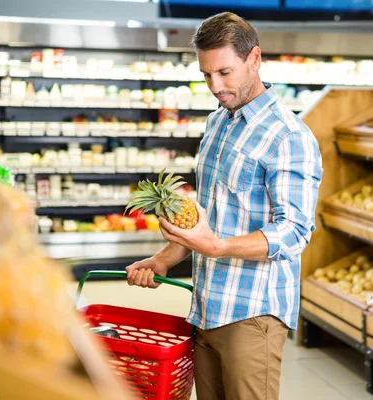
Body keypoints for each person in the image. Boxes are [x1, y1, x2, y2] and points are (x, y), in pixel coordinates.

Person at [125, 11, 323, 400]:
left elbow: (295, 232)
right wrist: (164, 259)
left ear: (254, 59)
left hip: (252, 315)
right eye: (206, 75)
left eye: (225, 72)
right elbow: (209, 212)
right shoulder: (219, 122)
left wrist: (217, 247)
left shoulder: (288, 136)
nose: (215, 86)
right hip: (205, 305)